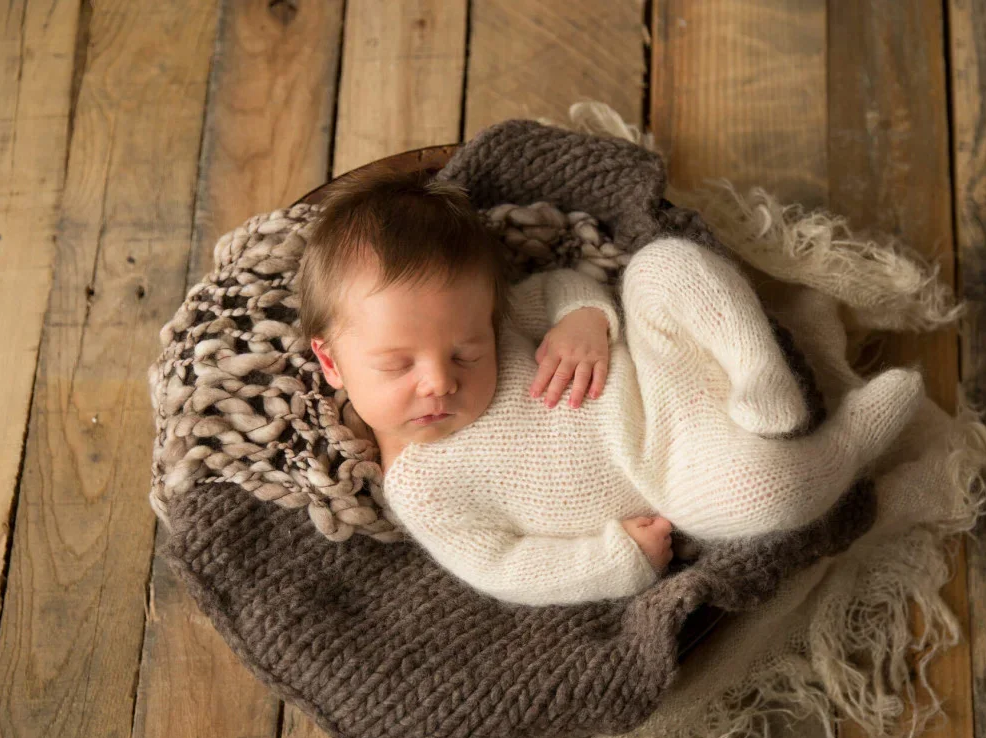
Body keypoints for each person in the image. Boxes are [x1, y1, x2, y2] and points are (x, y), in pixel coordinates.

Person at [298, 170, 924, 606]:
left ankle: (760, 376)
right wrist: (613, 559)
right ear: (331, 361)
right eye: (397, 365)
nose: (439, 380)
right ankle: (844, 447)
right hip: (669, 467)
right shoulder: (422, 488)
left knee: (667, 265)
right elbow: (505, 567)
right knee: (763, 492)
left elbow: (564, 286)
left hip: (654, 363)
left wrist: (584, 320)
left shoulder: (501, 315)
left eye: (467, 351)